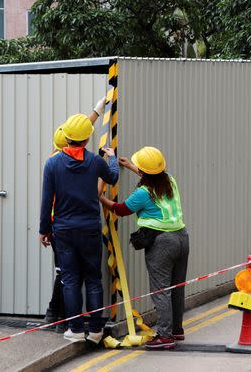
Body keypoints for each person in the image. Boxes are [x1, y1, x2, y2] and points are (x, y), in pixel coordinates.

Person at [39, 113, 119, 344]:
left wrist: (44, 230)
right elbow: (112, 177)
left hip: (63, 231)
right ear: (86, 140)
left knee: (70, 280)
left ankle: (74, 329)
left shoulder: (52, 163)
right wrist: (111, 157)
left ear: (66, 136)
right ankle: (95, 330)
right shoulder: (95, 161)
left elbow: (47, 201)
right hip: (90, 229)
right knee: (93, 279)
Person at [99, 146, 189, 351]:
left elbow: (121, 209)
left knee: (161, 290)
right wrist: (131, 166)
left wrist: (101, 199)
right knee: (176, 288)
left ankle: (165, 336)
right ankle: (176, 330)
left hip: (162, 243)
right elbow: (151, 174)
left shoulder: (143, 193)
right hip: (182, 237)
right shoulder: (170, 181)